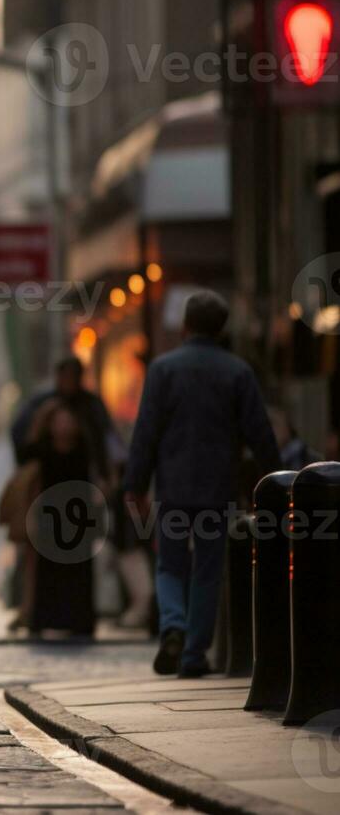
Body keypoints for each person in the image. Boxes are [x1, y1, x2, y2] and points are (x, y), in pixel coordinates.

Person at [123, 290, 281, 678]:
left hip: (173, 488)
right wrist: (274, 476)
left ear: (186, 325)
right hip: (217, 490)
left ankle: (173, 624)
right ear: (221, 328)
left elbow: (146, 432)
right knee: (208, 570)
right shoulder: (237, 371)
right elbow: (259, 432)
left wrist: (135, 485)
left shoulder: (162, 369)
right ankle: (194, 654)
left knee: (170, 566)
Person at [20, 401, 109, 637]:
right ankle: (45, 618)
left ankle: (80, 620)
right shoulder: (43, 448)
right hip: (50, 517)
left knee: (79, 570)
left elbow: (98, 475)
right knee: (49, 569)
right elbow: (25, 452)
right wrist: (41, 418)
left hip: (79, 516)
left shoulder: (84, 446)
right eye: (58, 421)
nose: (64, 426)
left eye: (68, 421)